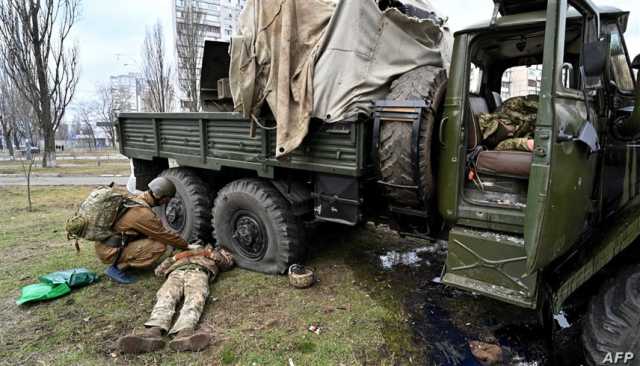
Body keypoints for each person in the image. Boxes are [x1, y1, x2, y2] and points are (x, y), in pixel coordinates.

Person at [117, 245, 234, 354]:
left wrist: (210, 254)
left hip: (199, 271)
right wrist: (174, 258)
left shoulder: (214, 248)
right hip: (175, 273)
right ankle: (153, 333)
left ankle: (185, 333)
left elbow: (228, 263)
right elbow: (158, 271)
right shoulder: (178, 249)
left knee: (196, 297)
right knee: (166, 297)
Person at [95, 177, 190, 284]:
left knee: (150, 237)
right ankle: (117, 267)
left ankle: (124, 258)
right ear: (158, 195)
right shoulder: (143, 214)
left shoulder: (137, 198)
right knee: (159, 246)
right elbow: (164, 235)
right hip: (109, 251)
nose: (166, 202)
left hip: (104, 244)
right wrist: (186, 246)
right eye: (166, 199)